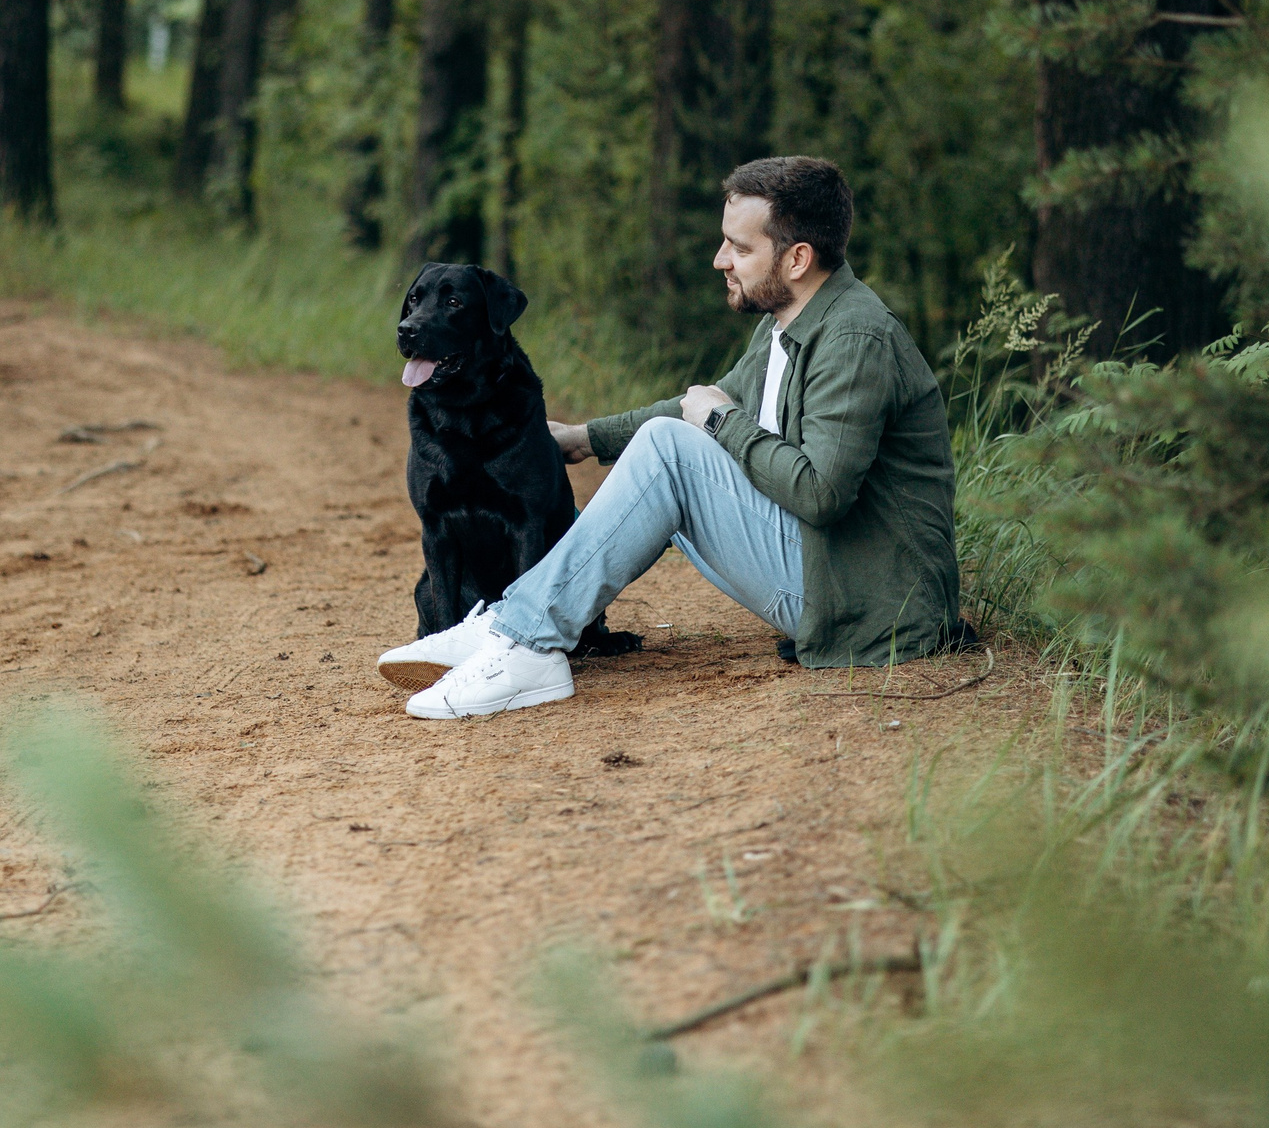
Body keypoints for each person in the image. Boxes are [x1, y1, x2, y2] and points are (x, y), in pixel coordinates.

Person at [376, 155, 960, 720]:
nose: (720, 260)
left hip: (871, 605)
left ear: (798, 258)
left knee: (670, 446)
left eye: (740, 247)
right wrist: (584, 438)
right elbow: (691, 408)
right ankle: (516, 624)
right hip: (829, 572)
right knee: (669, 439)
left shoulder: (854, 338)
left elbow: (820, 494)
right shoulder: (786, 325)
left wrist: (721, 422)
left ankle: (524, 638)